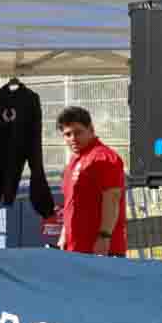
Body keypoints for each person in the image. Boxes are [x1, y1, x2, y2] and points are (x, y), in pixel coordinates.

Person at [56, 105, 126, 256]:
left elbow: (112, 198)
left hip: (100, 250)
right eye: (67, 134)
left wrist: (104, 237)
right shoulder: (74, 161)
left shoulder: (104, 157)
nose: (73, 138)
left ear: (91, 129)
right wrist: (64, 234)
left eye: (78, 132)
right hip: (75, 248)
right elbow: (70, 204)